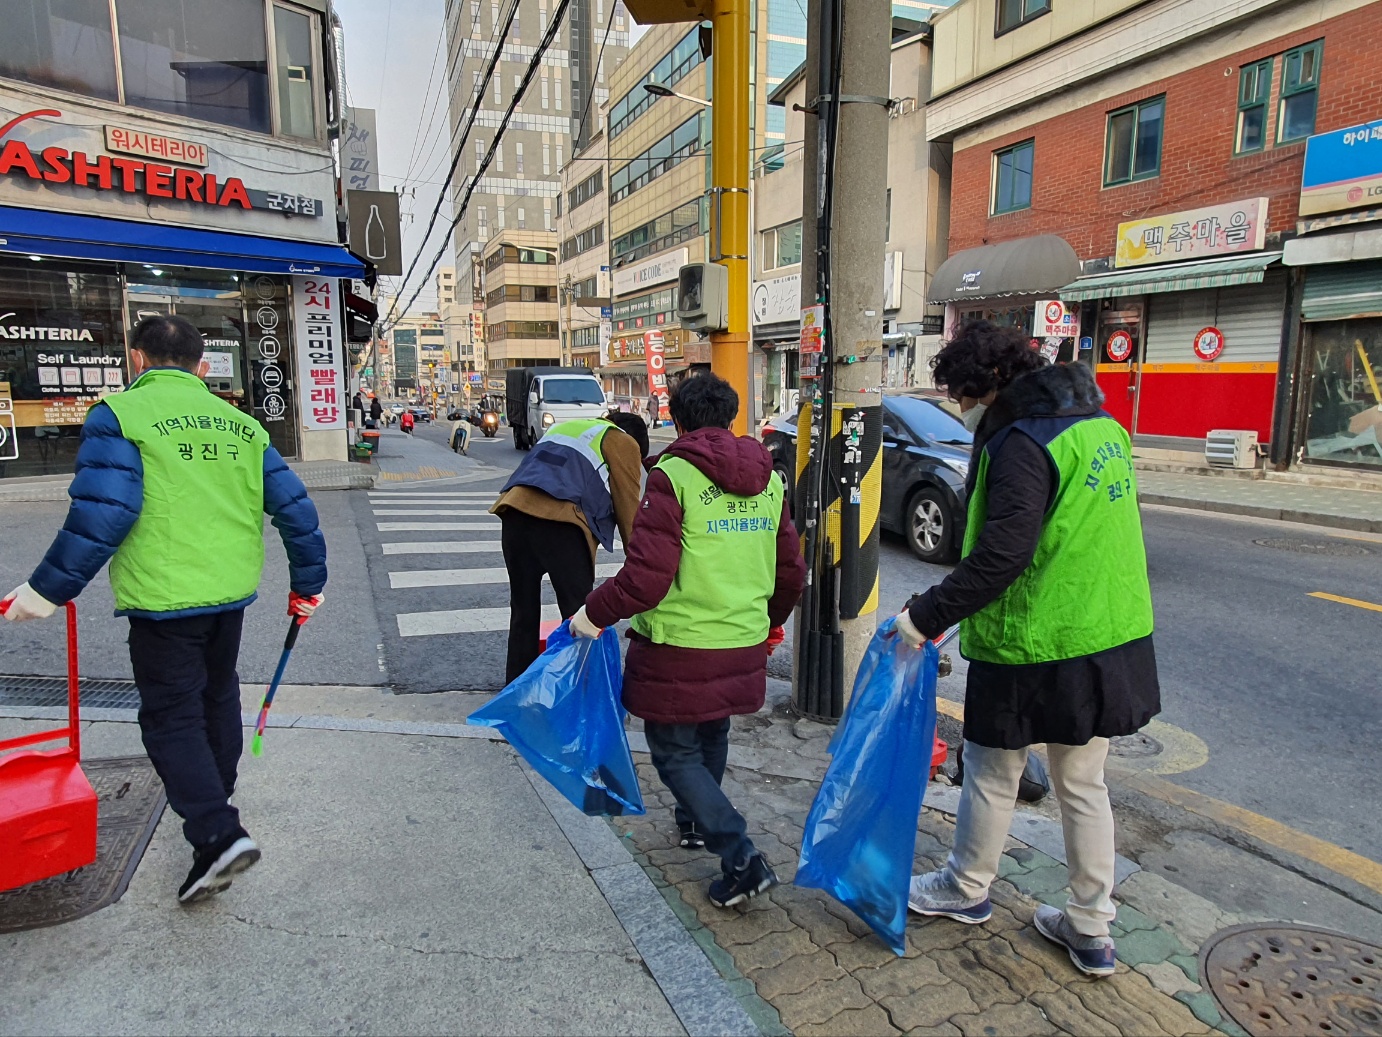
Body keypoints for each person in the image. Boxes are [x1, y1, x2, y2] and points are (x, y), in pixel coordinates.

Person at [2, 315, 326, 905]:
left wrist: (46, 591)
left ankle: (216, 832)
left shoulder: (120, 415)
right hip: (229, 592)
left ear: (137, 359)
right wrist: (309, 584)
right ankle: (214, 805)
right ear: (202, 367)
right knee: (217, 697)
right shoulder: (243, 425)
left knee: (171, 716)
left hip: (163, 598)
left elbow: (103, 512)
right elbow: (296, 511)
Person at [893, 320, 1159, 978]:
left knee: (990, 768)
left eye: (964, 393)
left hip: (1033, 639)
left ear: (992, 384)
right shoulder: (1100, 423)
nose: (961, 406)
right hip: (1109, 632)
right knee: (1082, 784)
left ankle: (966, 886)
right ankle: (1092, 929)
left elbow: (1003, 554)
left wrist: (925, 615)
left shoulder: (1021, 439)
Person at [573, 374, 805, 908]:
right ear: (730, 417)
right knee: (712, 730)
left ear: (676, 420)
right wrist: (768, 622)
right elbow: (791, 571)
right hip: (741, 639)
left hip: (680, 643)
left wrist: (592, 614)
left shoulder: (673, 475)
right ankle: (697, 823)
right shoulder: (770, 481)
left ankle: (740, 855)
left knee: (674, 751)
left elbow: (646, 577)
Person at [491, 410, 649, 683]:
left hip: (514, 515)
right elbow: (629, 510)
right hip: (560, 527)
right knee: (580, 617)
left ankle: (516, 691)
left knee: (523, 614)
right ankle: (587, 693)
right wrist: (644, 563)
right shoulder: (621, 441)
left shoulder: (568, 429)